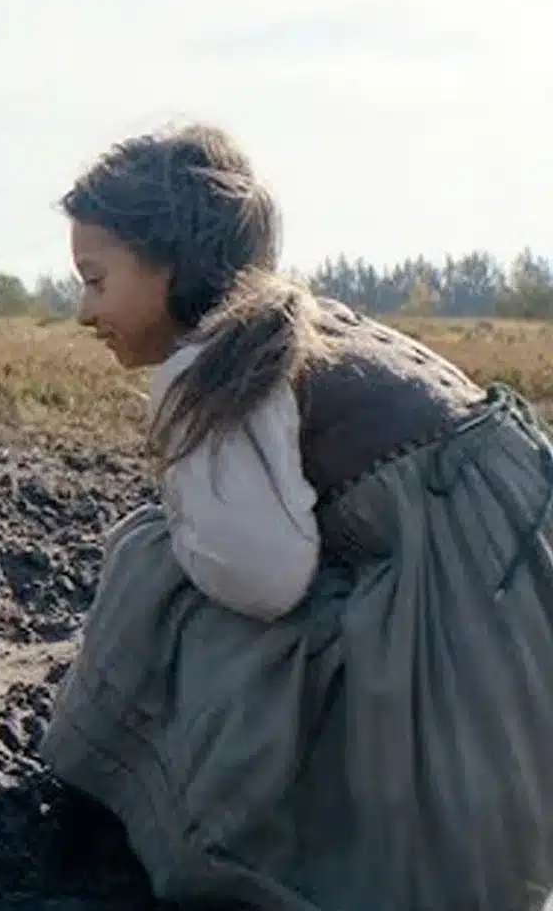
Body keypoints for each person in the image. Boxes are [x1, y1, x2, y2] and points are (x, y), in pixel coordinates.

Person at [38, 122, 553, 910]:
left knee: (152, 562)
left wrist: (178, 526)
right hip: (514, 626)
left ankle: (148, 801)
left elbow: (264, 579)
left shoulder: (215, 367)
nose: (83, 311)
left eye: (96, 280)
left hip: (450, 636)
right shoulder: (303, 325)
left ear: (172, 269)